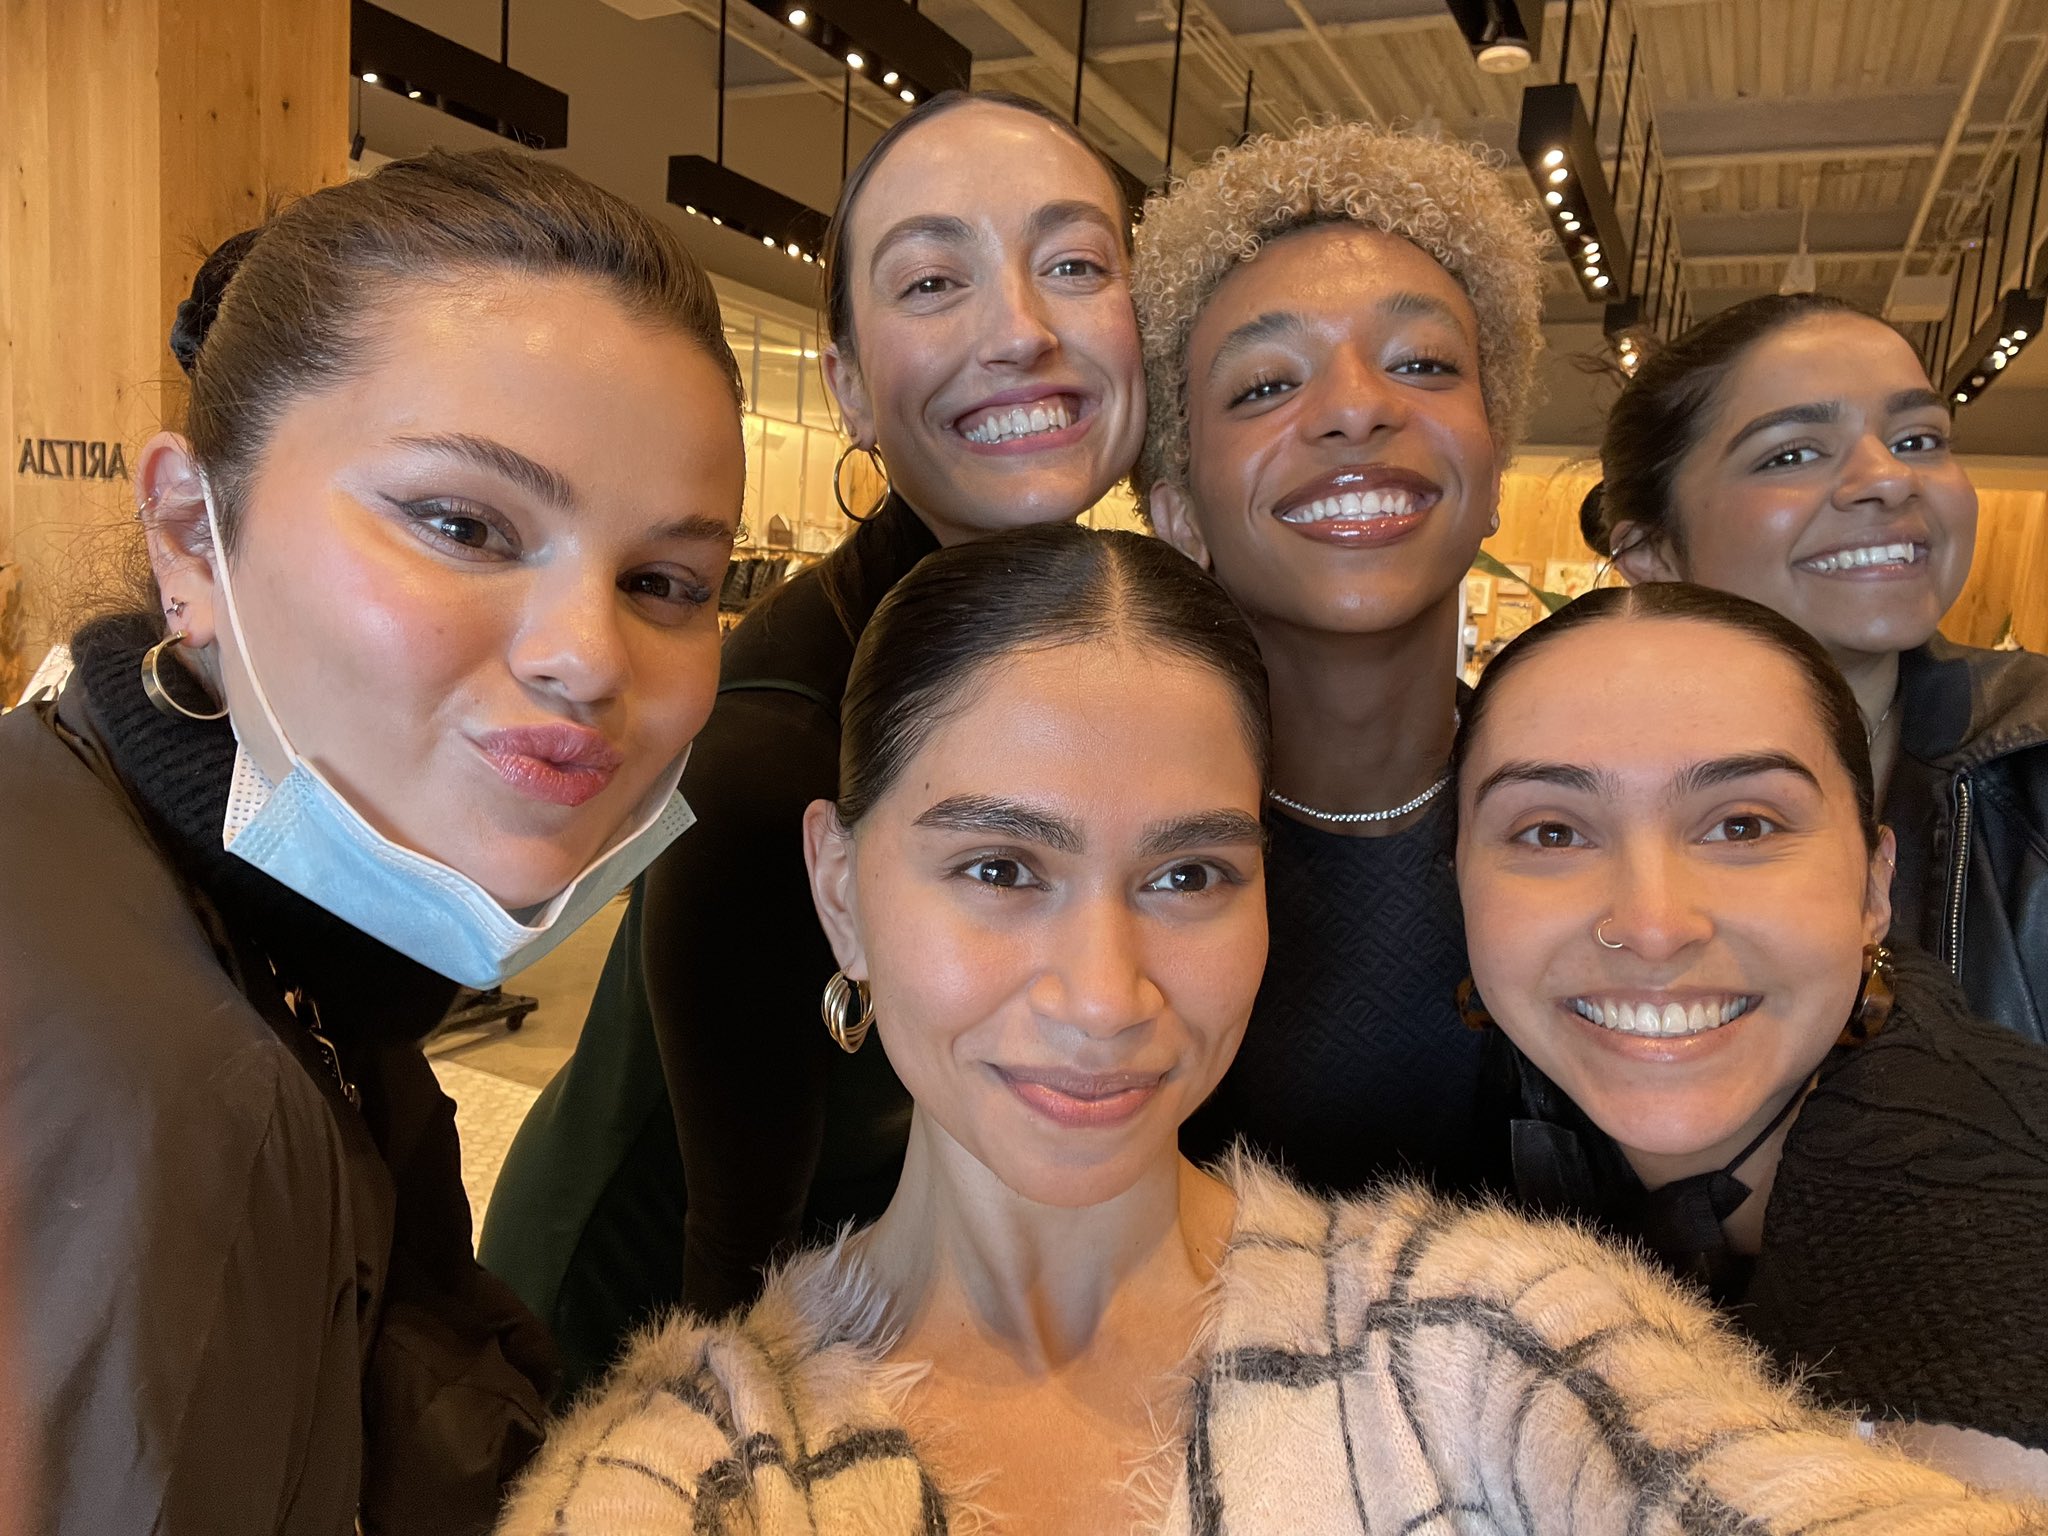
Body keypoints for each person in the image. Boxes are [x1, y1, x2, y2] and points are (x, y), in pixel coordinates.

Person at [496, 525, 2041, 1536]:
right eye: (999, 868)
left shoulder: (1489, 1329)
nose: (1103, 994)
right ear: (842, 890)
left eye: (1186, 875)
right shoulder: (680, 1467)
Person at [0, 149, 747, 1534]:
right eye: (464, 525)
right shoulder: (157, 1094)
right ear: (191, 535)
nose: (588, 656)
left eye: (665, 582)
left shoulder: (275, 950)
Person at [478, 89, 1147, 1390]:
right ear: (847, 386)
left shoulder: (1052, 648)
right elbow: (736, 1256)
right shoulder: (776, 746)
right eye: (934, 282)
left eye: (1074, 265)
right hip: (641, 1316)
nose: (1021, 328)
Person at [1455, 581, 2048, 1475]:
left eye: (1742, 825)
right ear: (1458, 883)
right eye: (1552, 834)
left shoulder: (1972, 1189)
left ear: (1874, 886)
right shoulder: (1482, 1104)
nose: (1653, 925)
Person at [1134, 121, 1547, 1193]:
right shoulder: (1104, 855)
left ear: (1492, 473)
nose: (1360, 407)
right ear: (1178, 512)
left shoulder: (1593, 829)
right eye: (1265, 385)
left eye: (1422, 364)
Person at [1591, 293, 2048, 1043]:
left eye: (1919, 440)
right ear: (1652, 553)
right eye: (1792, 454)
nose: (1889, 479)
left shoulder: (2031, 758)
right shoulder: (1555, 785)